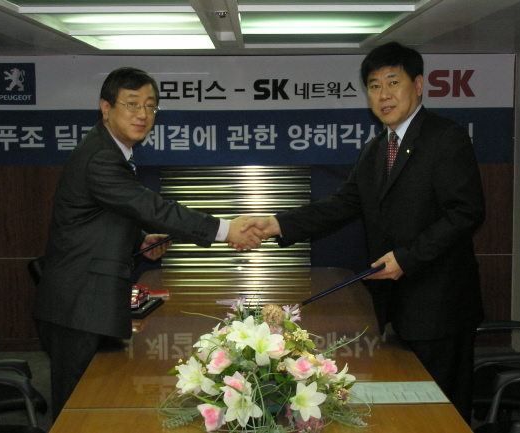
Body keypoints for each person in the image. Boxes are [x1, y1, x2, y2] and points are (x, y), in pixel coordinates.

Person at [240, 42, 485, 423]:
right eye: (374, 85)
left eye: (393, 82)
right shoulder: (376, 150)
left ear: (419, 85)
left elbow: (467, 212)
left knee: (443, 415)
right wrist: (278, 224)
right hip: (397, 306)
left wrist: (407, 258)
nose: (384, 94)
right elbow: (341, 204)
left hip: (442, 308)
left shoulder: (445, 137)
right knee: (410, 413)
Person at [33, 66, 263, 421]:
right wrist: (224, 229)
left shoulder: (108, 149)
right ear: (106, 108)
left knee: (97, 402)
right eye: (132, 104)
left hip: (85, 301)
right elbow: (151, 208)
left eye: (150, 106)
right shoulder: (101, 156)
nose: (142, 114)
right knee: (77, 411)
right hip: (79, 306)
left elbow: (103, 217)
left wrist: (139, 240)